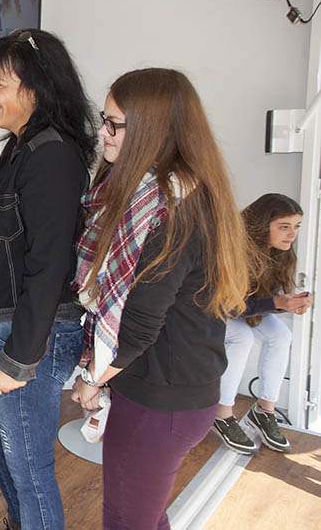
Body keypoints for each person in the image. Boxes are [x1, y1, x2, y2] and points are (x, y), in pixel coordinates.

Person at [71, 68, 250, 530]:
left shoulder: (170, 207)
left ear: (151, 130)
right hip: (166, 392)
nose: (103, 134)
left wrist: (93, 379)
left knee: (127, 521)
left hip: (163, 400)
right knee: (144, 517)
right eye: (102, 119)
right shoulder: (168, 193)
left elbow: (139, 325)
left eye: (115, 124)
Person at [0, 29, 96, 530]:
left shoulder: (53, 156)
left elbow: (49, 267)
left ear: (35, 88)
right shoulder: (21, 148)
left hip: (33, 333)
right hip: (6, 325)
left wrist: (20, 359)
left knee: (29, 465)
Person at [212, 193, 312, 454]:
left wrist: (289, 302)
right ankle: (222, 414)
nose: (292, 234)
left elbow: (259, 301)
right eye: (284, 227)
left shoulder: (280, 252)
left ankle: (264, 411)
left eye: (296, 227)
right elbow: (229, 306)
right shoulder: (234, 248)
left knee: (281, 335)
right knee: (241, 338)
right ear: (261, 225)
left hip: (246, 308)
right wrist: (277, 303)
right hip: (214, 309)